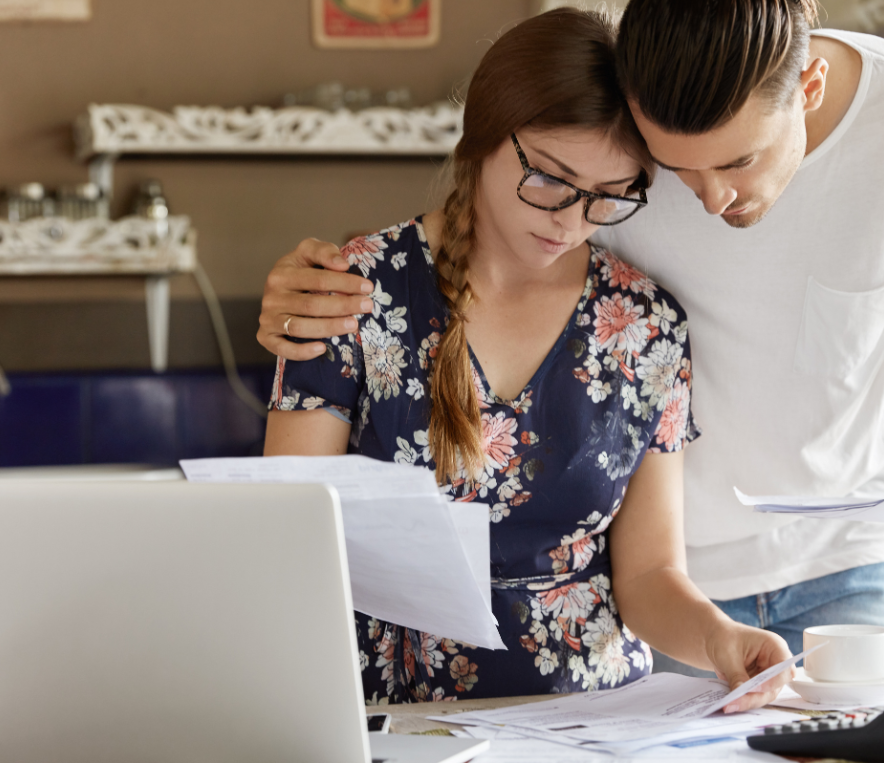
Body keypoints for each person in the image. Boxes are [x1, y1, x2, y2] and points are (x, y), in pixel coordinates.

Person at [255, 0, 884, 668]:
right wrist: (314, 285)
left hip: (841, 555)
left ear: (808, 91)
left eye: (738, 162)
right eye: (674, 175)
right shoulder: (618, 144)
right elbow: (284, 548)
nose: (711, 198)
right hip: (657, 590)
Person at [264, 8, 792, 705]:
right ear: (483, 136)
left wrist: (718, 638)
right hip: (393, 716)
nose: (569, 222)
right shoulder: (352, 293)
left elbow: (648, 576)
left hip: (591, 725)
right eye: (548, 178)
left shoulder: (644, 324)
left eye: (607, 198)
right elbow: (280, 540)